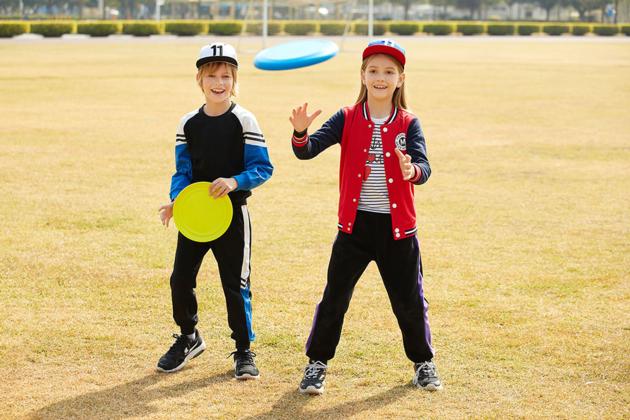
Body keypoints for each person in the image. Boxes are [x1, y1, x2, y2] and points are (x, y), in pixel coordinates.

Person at [289, 39, 442, 394]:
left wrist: (411, 171)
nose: (380, 77)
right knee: (335, 298)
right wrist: (300, 132)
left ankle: (423, 363)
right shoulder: (347, 117)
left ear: (401, 79)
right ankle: (317, 364)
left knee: (409, 300)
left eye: (389, 71)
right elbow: (307, 151)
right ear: (362, 75)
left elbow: (424, 167)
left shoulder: (408, 122)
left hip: (397, 230)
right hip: (354, 229)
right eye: (373, 70)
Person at [157, 42, 273, 379]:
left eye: (226, 76)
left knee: (234, 284)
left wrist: (235, 181)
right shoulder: (188, 123)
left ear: (234, 80)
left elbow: (263, 168)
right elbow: (183, 172)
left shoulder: (244, 119)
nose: (219, 83)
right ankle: (189, 337)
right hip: (195, 218)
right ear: (199, 79)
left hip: (232, 216)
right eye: (212, 76)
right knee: (180, 279)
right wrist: (177, 201)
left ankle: (243, 350)